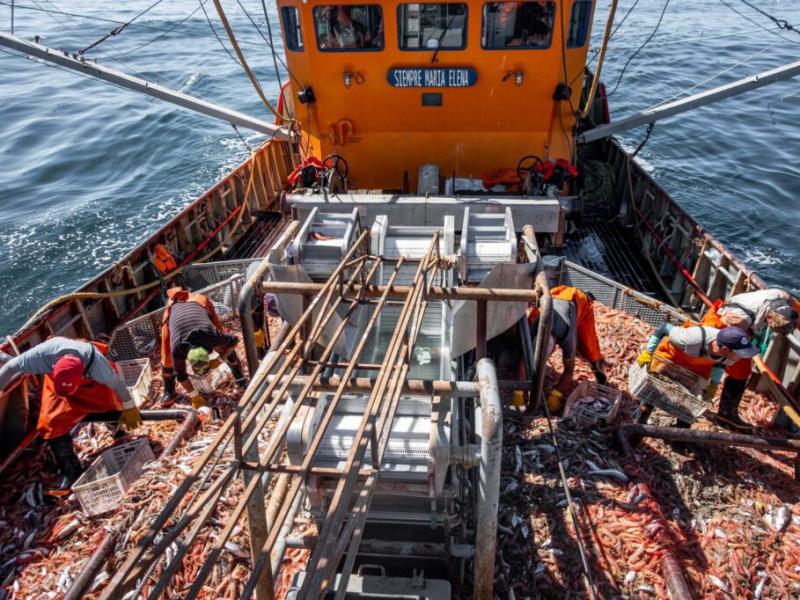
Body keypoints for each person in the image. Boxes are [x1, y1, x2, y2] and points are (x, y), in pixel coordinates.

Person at [0, 337, 142, 486]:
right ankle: (71, 472)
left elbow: (118, 385)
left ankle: (117, 432)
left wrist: (130, 407)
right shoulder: (40, 356)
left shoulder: (98, 366)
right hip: (58, 389)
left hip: (91, 383)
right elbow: (10, 367)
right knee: (51, 423)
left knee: (110, 403)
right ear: (53, 366)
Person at [698, 289, 797, 429]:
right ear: (769, 318)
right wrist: (714, 382)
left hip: (737, 319)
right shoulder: (741, 321)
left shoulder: (783, 296)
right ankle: (723, 412)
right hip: (720, 325)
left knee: (741, 370)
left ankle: (725, 413)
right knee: (729, 368)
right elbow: (722, 353)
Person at [635, 324, 758, 428]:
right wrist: (648, 351)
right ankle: (640, 423)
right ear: (725, 349)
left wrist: (713, 384)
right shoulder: (690, 338)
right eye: (740, 353)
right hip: (674, 357)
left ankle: (678, 436)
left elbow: (720, 364)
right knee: (655, 389)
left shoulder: (730, 356)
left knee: (693, 402)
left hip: (698, 366)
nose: (742, 357)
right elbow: (663, 327)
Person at [160, 287, 248, 409]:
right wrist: (194, 396)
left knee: (224, 346)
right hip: (173, 308)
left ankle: (240, 378)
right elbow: (181, 375)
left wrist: (220, 359)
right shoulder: (178, 349)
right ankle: (169, 391)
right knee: (166, 357)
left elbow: (233, 341)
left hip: (198, 302)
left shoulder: (211, 336)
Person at [533, 286, 607, 411]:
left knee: (588, 344)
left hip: (579, 302)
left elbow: (569, 369)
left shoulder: (567, 335)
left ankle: (598, 368)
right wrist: (518, 392)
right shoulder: (535, 324)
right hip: (557, 296)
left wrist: (556, 394)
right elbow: (524, 360)